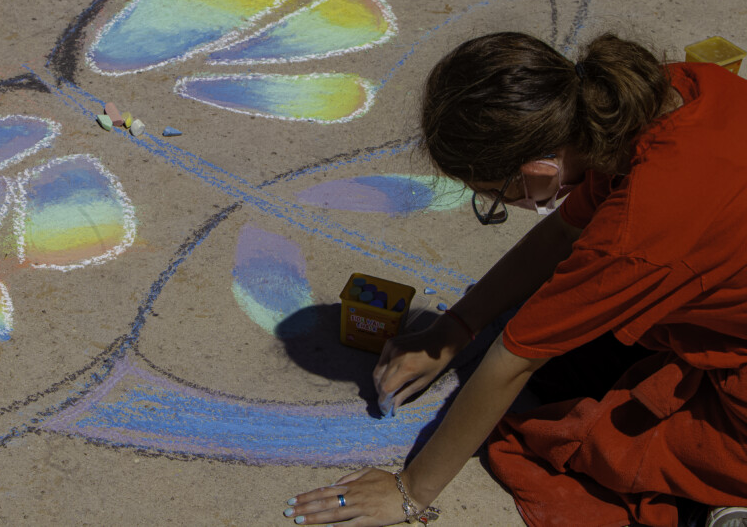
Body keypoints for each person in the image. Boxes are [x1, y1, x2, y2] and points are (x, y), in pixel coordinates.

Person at [282, 32, 747, 526]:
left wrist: (410, 489)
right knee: (567, 365)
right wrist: (454, 329)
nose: (500, 205)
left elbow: (514, 360)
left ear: (540, 168)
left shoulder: (639, 227)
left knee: (572, 441)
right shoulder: (647, 96)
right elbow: (563, 232)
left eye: (495, 195)